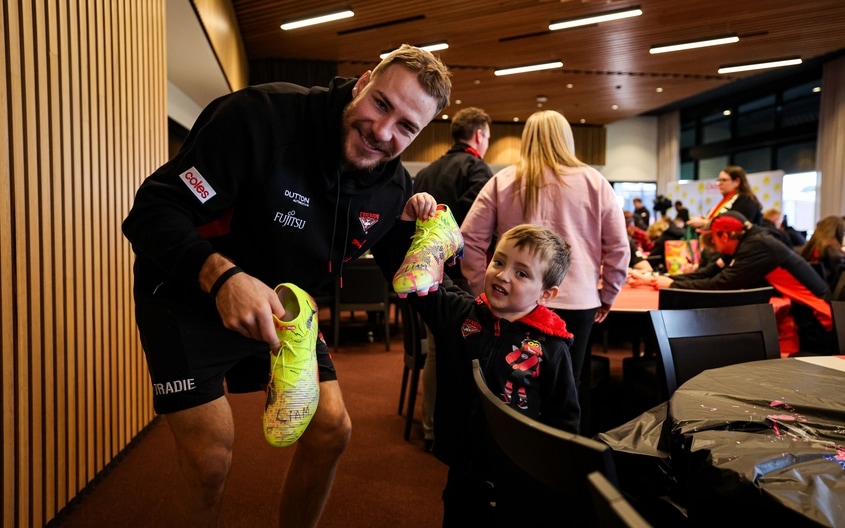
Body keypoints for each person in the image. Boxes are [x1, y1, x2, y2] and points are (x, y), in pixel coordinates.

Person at [121, 44, 452, 527]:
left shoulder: (391, 189)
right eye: (382, 104)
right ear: (362, 83)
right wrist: (222, 277)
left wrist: (483, 316)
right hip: (187, 291)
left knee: (331, 431)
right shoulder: (260, 117)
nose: (383, 132)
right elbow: (152, 212)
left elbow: (412, 277)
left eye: (406, 127)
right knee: (211, 458)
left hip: (282, 309)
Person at [394, 223, 580, 526]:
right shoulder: (459, 314)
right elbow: (415, 284)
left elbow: (564, 417)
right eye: (499, 261)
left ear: (546, 294)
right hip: (464, 468)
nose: (503, 275)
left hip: (519, 475)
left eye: (522, 273)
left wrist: (552, 474)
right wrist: (420, 225)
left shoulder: (552, 347)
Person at [460, 110, 629, 434]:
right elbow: (619, 248)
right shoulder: (595, 182)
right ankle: (561, 455)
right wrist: (607, 295)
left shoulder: (504, 180)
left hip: (515, 301)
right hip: (578, 301)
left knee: (507, 381)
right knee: (566, 385)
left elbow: (469, 239)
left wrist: (484, 287)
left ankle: (503, 446)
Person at [628, 211, 834, 355]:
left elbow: (720, 285)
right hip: (804, 315)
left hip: (817, 319)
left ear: (725, 236)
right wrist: (658, 279)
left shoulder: (756, 247)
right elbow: (708, 273)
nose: (713, 246)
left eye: (714, 239)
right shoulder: (745, 241)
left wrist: (672, 286)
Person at [411, 106, 493, 451]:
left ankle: (431, 428)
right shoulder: (478, 169)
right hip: (461, 278)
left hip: (425, 275)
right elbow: (474, 229)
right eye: (487, 136)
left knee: (436, 352)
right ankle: (461, 432)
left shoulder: (427, 172)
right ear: (478, 135)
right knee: (467, 352)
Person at [687, 165, 763, 230]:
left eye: (724, 180)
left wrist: (706, 223)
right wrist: (706, 220)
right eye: (719, 180)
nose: (720, 184)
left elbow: (737, 225)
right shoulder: (728, 200)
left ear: (737, 181)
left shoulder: (746, 201)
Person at [800, 215, 845, 290]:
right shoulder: (833, 252)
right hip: (828, 292)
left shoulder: (811, 246)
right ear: (838, 232)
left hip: (810, 288)